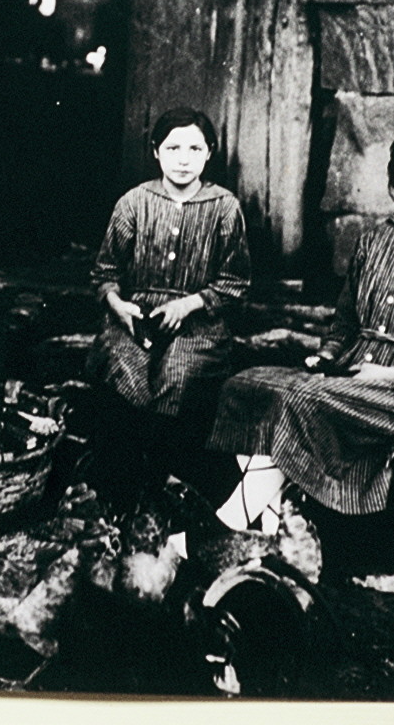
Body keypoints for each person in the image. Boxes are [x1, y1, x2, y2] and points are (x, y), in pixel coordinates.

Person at [205, 122, 394, 537]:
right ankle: (272, 530)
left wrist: (392, 374)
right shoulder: (375, 239)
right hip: (355, 373)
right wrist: (327, 355)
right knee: (246, 385)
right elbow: (345, 322)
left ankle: (218, 531)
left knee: (300, 399)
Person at [86, 107, 251, 500]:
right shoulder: (133, 202)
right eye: (173, 148)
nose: (183, 159)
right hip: (135, 317)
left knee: (177, 377)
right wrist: (117, 304)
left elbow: (235, 282)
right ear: (156, 151)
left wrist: (189, 304)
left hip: (199, 321)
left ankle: (164, 488)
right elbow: (104, 272)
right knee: (126, 371)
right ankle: (120, 489)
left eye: (194, 149)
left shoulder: (224, 207)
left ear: (209, 153)